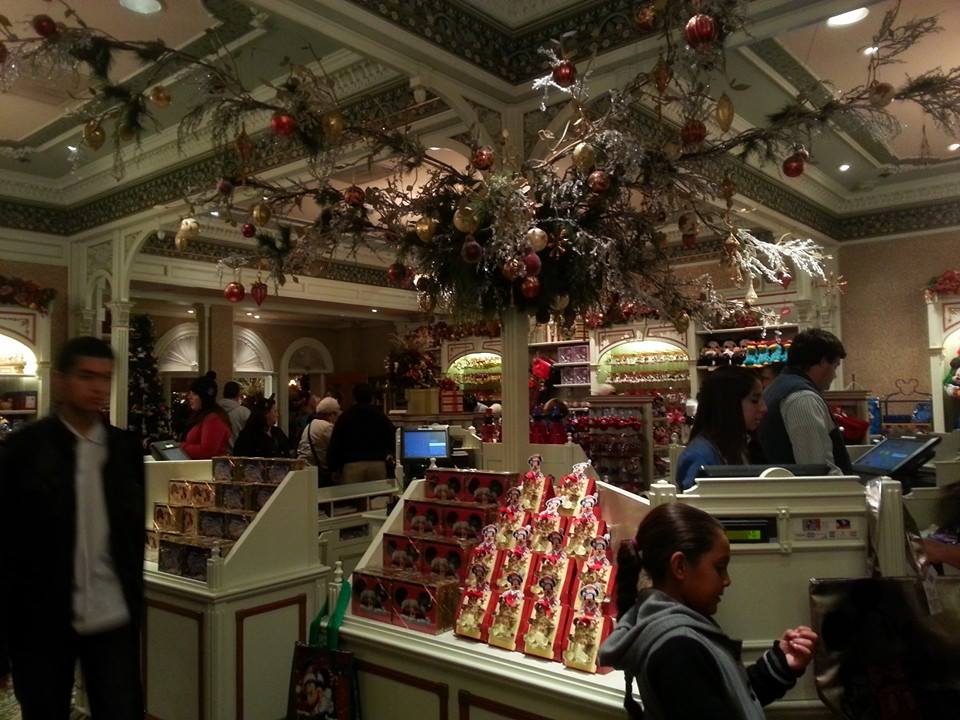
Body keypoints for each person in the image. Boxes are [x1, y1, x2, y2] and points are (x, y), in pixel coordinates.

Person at [0, 336, 145, 719]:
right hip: (42, 619)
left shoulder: (124, 450)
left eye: (105, 377)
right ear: (61, 380)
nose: (98, 387)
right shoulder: (26, 450)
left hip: (112, 615)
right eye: (86, 376)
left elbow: (130, 537)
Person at [599, 503, 818, 720]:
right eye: (719, 567)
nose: (727, 580)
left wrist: (781, 664)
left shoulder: (677, 628)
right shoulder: (679, 649)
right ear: (680, 566)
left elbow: (729, 698)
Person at [757, 329, 852, 474]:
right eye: (835, 366)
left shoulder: (778, 386)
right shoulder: (802, 397)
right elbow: (817, 469)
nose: (835, 375)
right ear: (823, 362)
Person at [675, 366, 766, 491]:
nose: (764, 408)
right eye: (755, 400)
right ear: (728, 403)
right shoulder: (700, 456)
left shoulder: (740, 444)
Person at [327, 383, 395, 484]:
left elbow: (336, 442)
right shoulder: (380, 416)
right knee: (377, 494)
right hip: (377, 463)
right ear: (371, 397)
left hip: (352, 464)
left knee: (353, 494)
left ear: (354, 397)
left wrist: (333, 467)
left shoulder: (345, 417)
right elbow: (391, 437)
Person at [180, 372, 231, 459]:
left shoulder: (213, 418)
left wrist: (181, 447)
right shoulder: (203, 416)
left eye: (194, 394)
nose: (189, 397)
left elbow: (207, 451)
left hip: (208, 466)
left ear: (204, 397)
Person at [297, 396, 341, 484]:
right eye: (337, 414)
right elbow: (338, 446)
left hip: (303, 467)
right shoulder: (327, 427)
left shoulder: (311, 424)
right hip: (316, 472)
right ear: (331, 414)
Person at [220, 380, 250, 452]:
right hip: (239, 452)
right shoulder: (244, 412)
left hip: (219, 453)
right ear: (238, 393)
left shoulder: (215, 410)